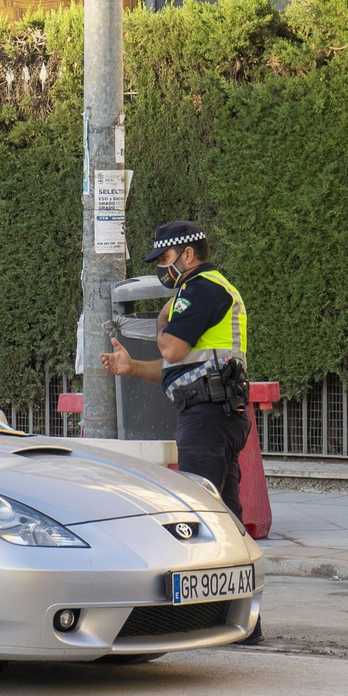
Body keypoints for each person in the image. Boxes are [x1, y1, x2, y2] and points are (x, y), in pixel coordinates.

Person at [100, 220, 251, 519]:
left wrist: (160, 323)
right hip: (218, 413)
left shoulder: (201, 288)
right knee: (224, 514)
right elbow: (182, 365)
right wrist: (133, 368)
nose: (161, 267)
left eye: (165, 258)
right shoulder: (213, 287)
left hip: (206, 418)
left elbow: (171, 349)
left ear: (189, 254)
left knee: (199, 514)